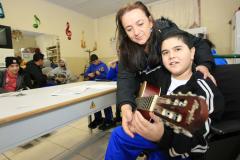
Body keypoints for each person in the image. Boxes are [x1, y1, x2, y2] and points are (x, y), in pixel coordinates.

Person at [105, 29, 225, 160]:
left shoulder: (202, 88)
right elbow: (133, 82)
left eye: (178, 49)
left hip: (180, 150)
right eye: (165, 52)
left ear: (192, 52)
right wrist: (133, 109)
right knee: (118, 134)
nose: (171, 56)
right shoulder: (159, 74)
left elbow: (198, 142)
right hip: (152, 132)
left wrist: (161, 136)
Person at [84, 54, 115, 130]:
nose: (94, 63)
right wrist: (88, 74)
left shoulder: (103, 65)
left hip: (103, 85)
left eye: (95, 61)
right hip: (93, 86)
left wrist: (100, 74)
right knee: (95, 102)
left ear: (98, 59)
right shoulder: (91, 66)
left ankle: (109, 119)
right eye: (92, 62)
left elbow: (107, 76)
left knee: (105, 102)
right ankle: (98, 118)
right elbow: (85, 73)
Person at [106, 60, 122, 124]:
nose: (118, 53)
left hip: (122, 86)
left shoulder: (128, 62)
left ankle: (119, 117)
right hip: (115, 85)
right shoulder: (117, 64)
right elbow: (108, 77)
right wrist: (112, 68)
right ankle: (118, 117)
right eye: (117, 51)